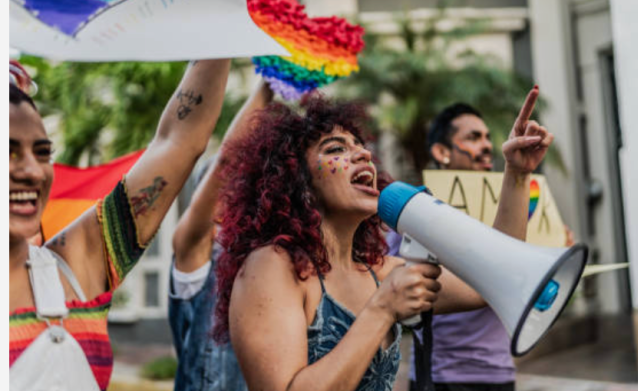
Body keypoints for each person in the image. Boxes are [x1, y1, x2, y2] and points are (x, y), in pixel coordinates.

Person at [212, 85, 553, 391]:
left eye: (361, 147)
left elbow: (491, 278)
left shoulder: (381, 271)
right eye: (336, 148)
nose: (363, 154)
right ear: (297, 181)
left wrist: (518, 173)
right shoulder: (272, 267)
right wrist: (383, 309)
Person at [9, 51, 233, 388]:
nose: (32, 171)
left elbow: (179, 141)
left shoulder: (72, 271)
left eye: (42, 153)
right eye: (9, 151)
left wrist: (224, 29)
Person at [387, 102, 573, 391]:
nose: (486, 145)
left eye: (487, 137)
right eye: (473, 137)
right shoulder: (417, 212)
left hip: (500, 372)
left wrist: (556, 255)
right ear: (442, 152)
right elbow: (393, 288)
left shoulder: (512, 205)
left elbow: (519, 280)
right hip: (443, 377)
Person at [169, 79, 273, 391]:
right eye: (234, 189)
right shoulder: (196, 253)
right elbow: (227, 163)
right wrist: (271, 83)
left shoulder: (268, 263)